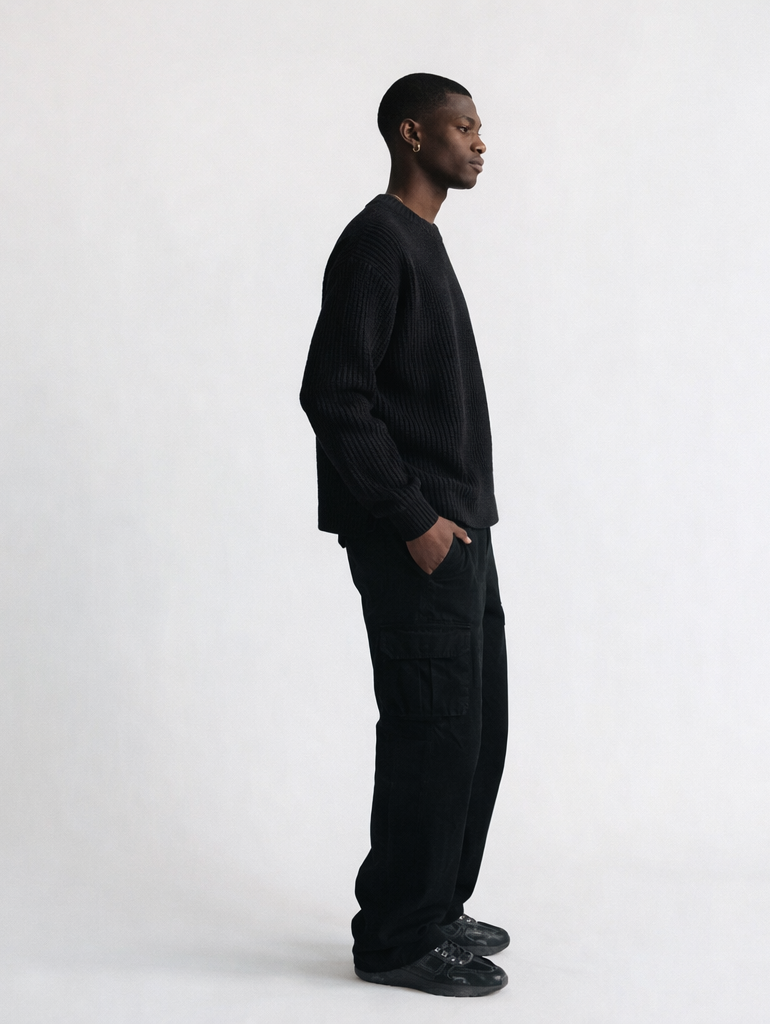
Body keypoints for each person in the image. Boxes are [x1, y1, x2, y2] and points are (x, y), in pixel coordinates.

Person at [299, 73, 509, 998]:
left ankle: (435, 906)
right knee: (431, 731)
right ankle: (395, 938)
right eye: (463, 126)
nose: (480, 142)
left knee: (474, 731)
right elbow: (332, 395)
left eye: (480, 127)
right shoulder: (377, 241)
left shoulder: (422, 240)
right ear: (412, 134)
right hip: (414, 535)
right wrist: (413, 518)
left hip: (462, 532)